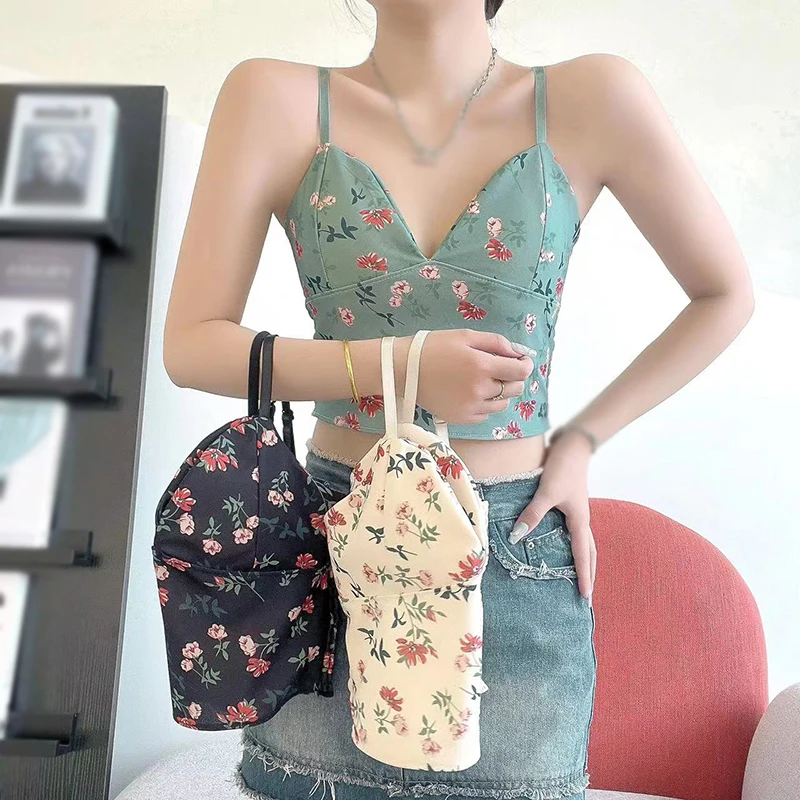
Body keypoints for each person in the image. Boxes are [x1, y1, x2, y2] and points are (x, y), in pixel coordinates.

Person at [162, 1, 755, 797]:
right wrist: (398, 364)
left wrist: (579, 441)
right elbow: (191, 343)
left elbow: (725, 294)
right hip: (338, 551)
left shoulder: (593, 98)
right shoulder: (273, 98)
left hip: (514, 542)